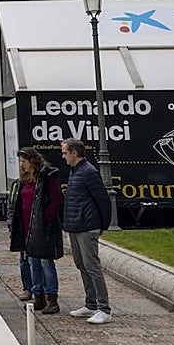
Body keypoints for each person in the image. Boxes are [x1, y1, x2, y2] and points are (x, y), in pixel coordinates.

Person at [60, 137, 113, 324]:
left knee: (92, 266)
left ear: (75, 153)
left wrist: (101, 226)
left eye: (65, 152)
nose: (63, 156)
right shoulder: (75, 171)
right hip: (75, 225)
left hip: (87, 226)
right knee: (81, 264)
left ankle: (103, 308)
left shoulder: (88, 172)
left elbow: (102, 199)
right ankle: (90, 304)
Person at [10, 147, 64, 314]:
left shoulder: (47, 176)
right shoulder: (23, 181)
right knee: (33, 262)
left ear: (32, 162)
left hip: (43, 227)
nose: (21, 165)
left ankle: (52, 298)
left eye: (24, 161)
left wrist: (43, 220)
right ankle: (38, 294)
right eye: (20, 162)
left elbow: (56, 201)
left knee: (46, 262)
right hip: (27, 228)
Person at [7, 165, 34, 303]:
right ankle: (27, 288)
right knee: (23, 260)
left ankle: (40, 290)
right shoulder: (17, 184)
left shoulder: (37, 183)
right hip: (20, 228)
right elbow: (11, 205)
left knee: (35, 261)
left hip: (34, 228)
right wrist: (11, 224)